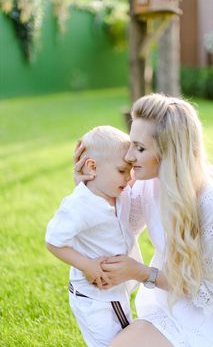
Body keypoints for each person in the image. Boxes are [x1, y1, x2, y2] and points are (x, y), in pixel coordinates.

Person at [74, 93, 213, 347]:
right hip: (169, 307)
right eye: (130, 143)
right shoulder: (149, 183)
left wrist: (142, 273)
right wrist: (90, 184)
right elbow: (114, 229)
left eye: (140, 148)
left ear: (169, 152)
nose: (128, 156)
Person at [45, 125, 143, 347]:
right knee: (112, 341)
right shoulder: (81, 204)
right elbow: (53, 241)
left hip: (112, 290)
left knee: (125, 336)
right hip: (95, 296)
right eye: (121, 170)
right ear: (92, 166)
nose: (128, 178)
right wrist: (87, 265)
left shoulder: (116, 194)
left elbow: (139, 180)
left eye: (130, 170)